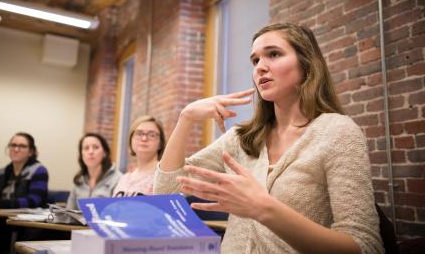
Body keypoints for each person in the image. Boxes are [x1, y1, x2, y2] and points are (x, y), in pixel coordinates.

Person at [154, 23, 384, 254]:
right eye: (255, 61)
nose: (260, 67)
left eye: (274, 54)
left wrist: (263, 208)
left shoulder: (338, 132)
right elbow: (167, 191)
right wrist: (186, 118)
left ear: (306, 64)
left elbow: (365, 246)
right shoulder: (241, 138)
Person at [0, 132, 49, 209]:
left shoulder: (39, 171)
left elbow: (33, 202)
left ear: (30, 152)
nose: (16, 149)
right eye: (13, 145)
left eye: (22, 146)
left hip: (24, 221)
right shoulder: (2, 173)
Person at [66, 133, 122, 210]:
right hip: (78, 222)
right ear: (81, 155)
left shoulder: (118, 179)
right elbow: (69, 213)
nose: (91, 152)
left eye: (95, 147)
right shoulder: (79, 180)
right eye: (86, 148)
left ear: (104, 153)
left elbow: (118, 214)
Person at [113, 115, 166, 197]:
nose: (144, 138)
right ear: (131, 139)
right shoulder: (124, 179)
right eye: (139, 133)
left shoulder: (164, 176)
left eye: (152, 135)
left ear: (160, 143)